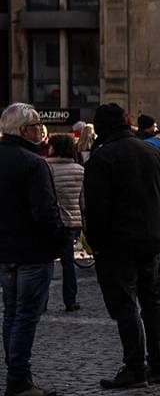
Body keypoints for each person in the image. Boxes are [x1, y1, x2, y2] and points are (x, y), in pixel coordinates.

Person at [83, 103, 160, 390]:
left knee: (125, 305)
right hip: (150, 240)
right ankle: (158, 365)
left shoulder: (102, 157)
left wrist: (96, 244)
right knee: (152, 302)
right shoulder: (152, 152)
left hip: (117, 245)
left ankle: (135, 367)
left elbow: (96, 209)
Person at [1, 104, 68, 396]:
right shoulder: (33, 163)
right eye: (38, 125)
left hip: (6, 251)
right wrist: (59, 240)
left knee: (12, 313)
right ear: (24, 130)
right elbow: (45, 211)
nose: (41, 130)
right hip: (32, 250)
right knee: (25, 316)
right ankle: (18, 380)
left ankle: (17, 375)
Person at [45, 134, 84, 312]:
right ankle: (70, 299)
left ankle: (42, 301)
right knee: (68, 263)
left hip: (49, 220)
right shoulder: (79, 170)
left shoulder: (44, 167)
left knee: (46, 261)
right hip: (70, 222)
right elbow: (83, 201)